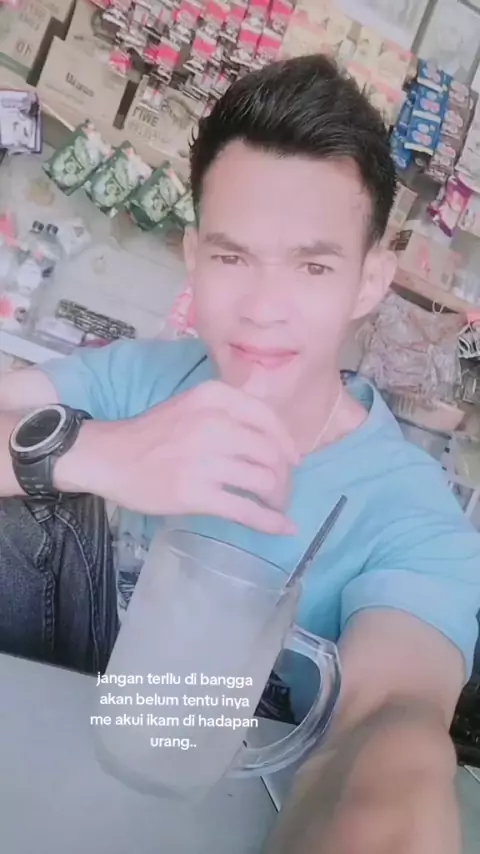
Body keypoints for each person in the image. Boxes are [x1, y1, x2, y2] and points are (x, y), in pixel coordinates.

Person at [0, 54, 478, 853]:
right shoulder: (146, 379)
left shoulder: (410, 517)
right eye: (232, 257)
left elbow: (391, 725)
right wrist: (96, 453)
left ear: (370, 281)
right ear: (193, 255)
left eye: (313, 266)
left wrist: (390, 785)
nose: (263, 309)